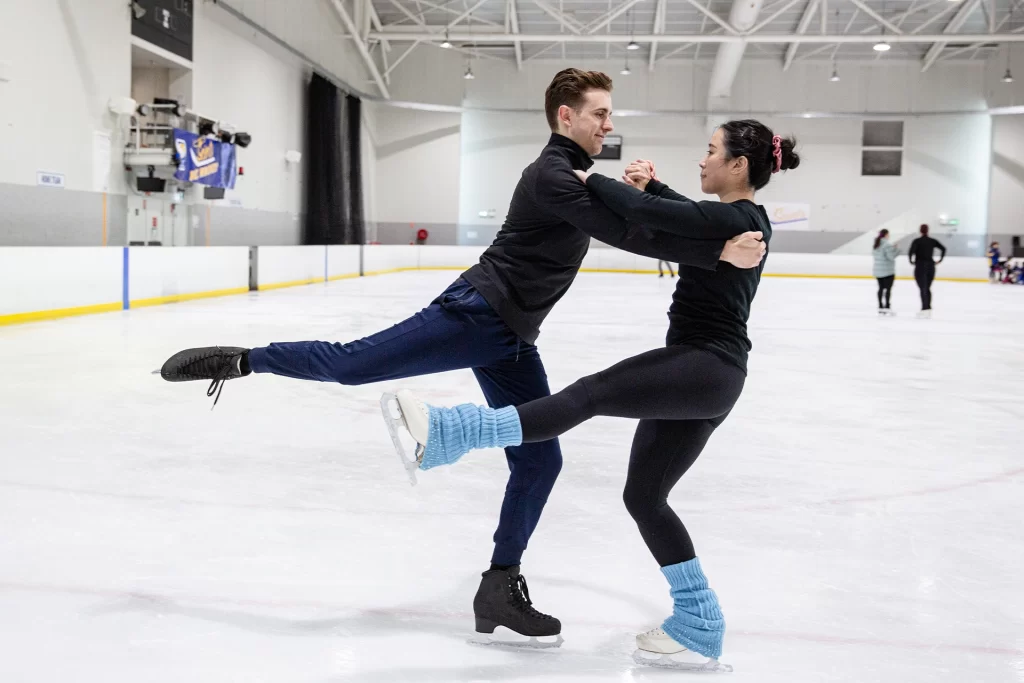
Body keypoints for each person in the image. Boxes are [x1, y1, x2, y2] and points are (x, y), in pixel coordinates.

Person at [157, 69, 767, 648]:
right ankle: (244, 361)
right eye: (601, 113)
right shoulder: (555, 174)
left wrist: (704, 239)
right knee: (351, 364)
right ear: (566, 115)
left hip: (510, 336)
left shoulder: (580, 172)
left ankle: (499, 587)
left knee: (539, 460)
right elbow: (635, 235)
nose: (609, 124)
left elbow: (653, 226)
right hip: (478, 314)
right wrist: (717, 254)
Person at [383, 120, 799, 670]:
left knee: (591, 393)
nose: (703, 161)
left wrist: (593, 181)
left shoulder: (737, 219)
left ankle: (453, 433)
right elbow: (683, 217)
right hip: (713, 378)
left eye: (711, 151)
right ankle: (699, 622)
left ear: (739, 165)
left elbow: (661, 219)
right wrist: (653, 186)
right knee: (644, 497)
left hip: (705, 366)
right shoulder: (737, 222)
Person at [908, 224, 946, 318]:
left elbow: (910, 252)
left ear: (920, 231)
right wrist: (940, 260)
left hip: (920, 265)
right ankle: (927, 308)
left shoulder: (917, 241)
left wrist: (911, 261)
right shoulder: (932, 241)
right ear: (928, 230)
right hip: (930, 266)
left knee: (923, 288)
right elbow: (943, 249)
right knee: (927, 288)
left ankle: (925, 309)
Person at [872, 229, 898, 315]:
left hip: (878, 270)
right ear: (886, 235)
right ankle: (887, 306)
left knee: (880, 288)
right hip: (887, 271)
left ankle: (880, 307)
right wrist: (896, 250)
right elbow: (890, 257)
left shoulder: (876, 244)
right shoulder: (887, 245)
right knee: (888, 289)